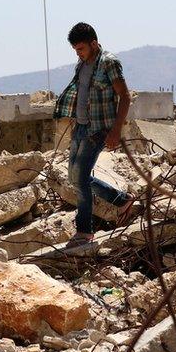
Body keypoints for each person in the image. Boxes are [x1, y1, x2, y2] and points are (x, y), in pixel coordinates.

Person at [54, 22, 135, 247]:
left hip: (98, 130)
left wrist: (116, 131)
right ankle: (122, 200)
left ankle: (84, 231)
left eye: (81, 48)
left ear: (93, 43)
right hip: (80, 128)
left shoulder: (109, 62)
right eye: (75, 50)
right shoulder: (82, 64)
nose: (78, 53)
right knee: (74, 177)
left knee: (79, 179)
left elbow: (125, 96)